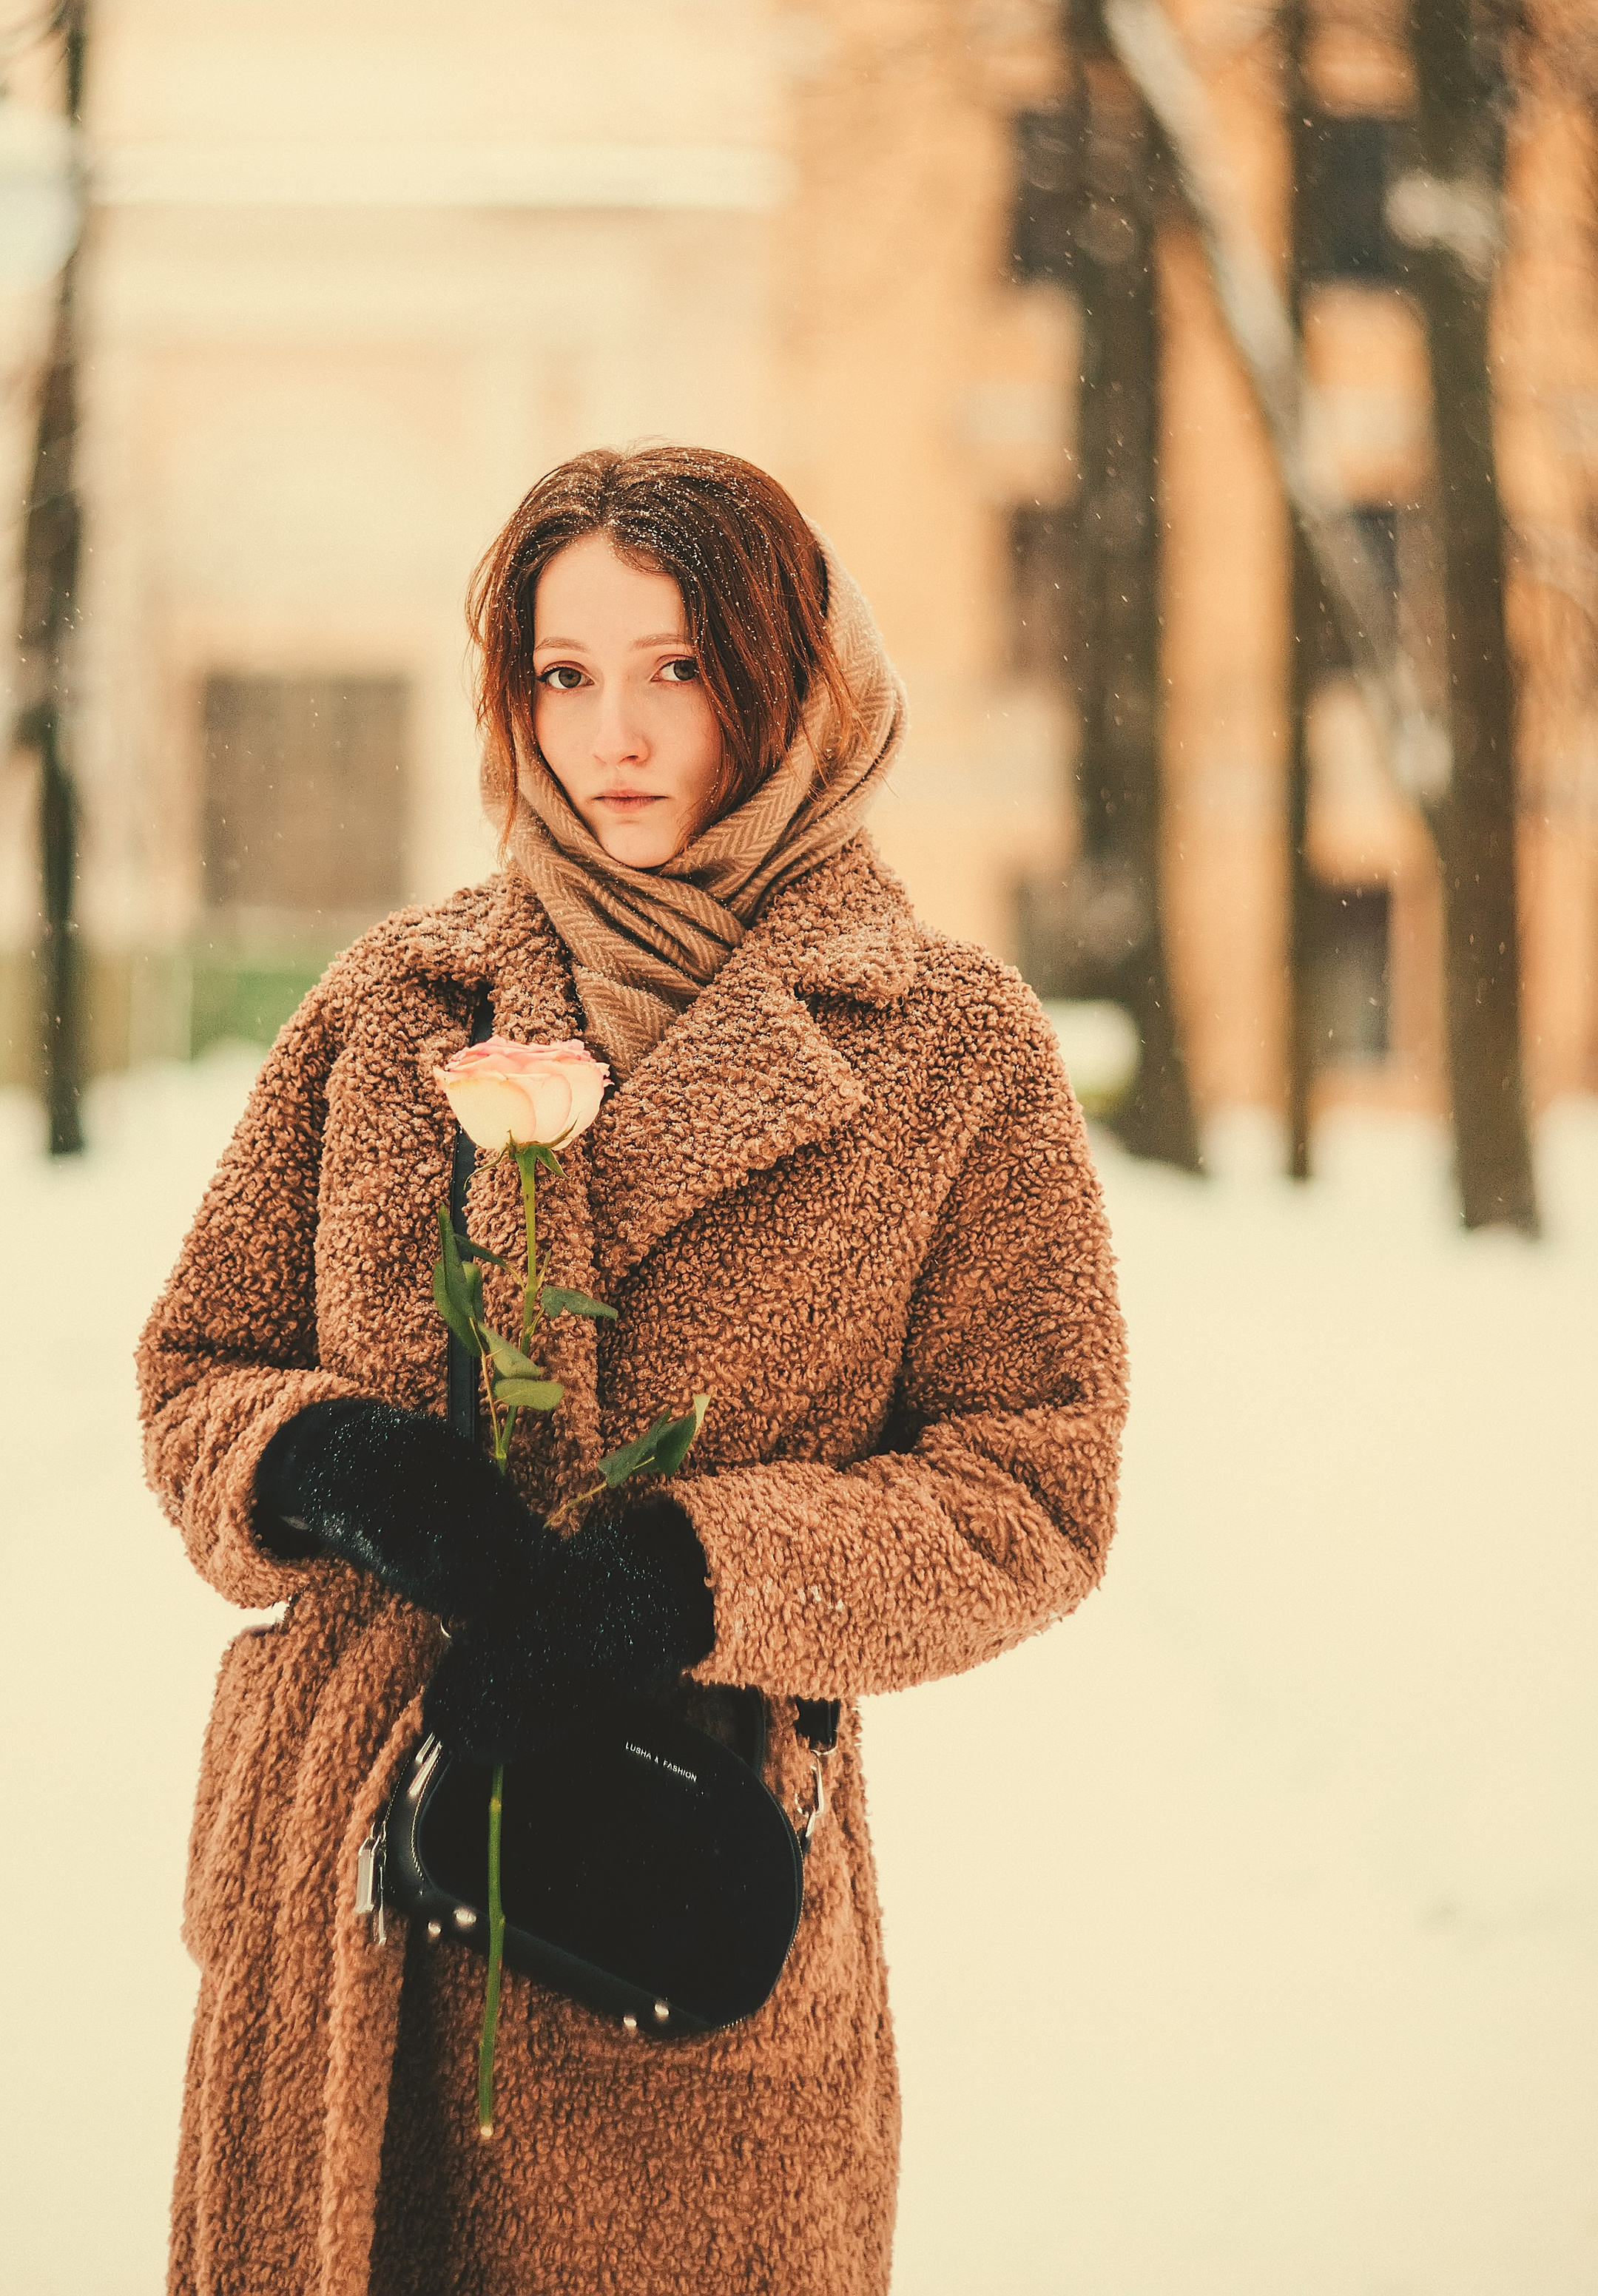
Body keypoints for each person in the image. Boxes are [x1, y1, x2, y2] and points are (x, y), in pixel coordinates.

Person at [140, 445, 1127, 2296]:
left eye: (675, 667)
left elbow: (1036, 1489)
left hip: (663, 1881)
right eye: (562, 671)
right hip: (342, 1906)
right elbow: (199, 1364)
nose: (613, 730)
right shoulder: (393, 1004)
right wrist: (330, 1463)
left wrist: (687, 1576)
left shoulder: (944, 1049)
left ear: (791, 683)